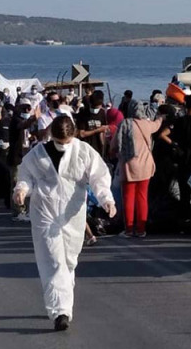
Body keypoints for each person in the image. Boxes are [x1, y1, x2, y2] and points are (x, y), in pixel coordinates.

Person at [13, 116, 115, 331]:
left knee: (69, 260)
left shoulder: (84, 151)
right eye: (59, 141)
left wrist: (106, 199)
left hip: (72, 213)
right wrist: (21, 190)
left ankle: (63, 302)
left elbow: (99, 177)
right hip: (45, 211)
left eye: (66, 141)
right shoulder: (38, 153)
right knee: (53, 259)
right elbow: (25, 174)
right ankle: (60, 311)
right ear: (51, 135)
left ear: (74, 134)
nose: (63, 145)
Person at [111, 100, 163, 238]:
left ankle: (128, 229)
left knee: (128, 197)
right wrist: (160, 116)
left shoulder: (124, 124)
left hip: (128, 165)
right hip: (145, 165)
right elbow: (157, 125)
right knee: (142, 197)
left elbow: (114, 145)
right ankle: (141, 229)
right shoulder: (146, 124)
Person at [8, 98, 38, 221]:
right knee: (16, 182)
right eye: (25, 108)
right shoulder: (16, 120)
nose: (27, 110)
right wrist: (32, 118)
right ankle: (17, 210)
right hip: (16, 157)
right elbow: (22, 125)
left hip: (26, 155)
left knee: (26, 182)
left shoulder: (24, 121)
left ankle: (24, 209)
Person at [75, 90, 108, 159]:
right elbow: (81, 134)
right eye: (95, 107)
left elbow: (104, 131)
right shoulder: (83, 113)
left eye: (98, 107)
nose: (96, 109)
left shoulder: (103, 113)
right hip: (86, 147)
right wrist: (97, 130)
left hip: (99, 148)